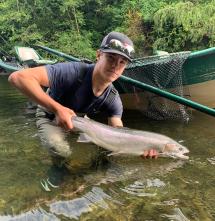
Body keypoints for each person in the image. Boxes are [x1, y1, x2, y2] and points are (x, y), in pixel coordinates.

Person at [9, 31, 157, 160]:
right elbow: (18, 77)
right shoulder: (73, 71)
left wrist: (141, 147)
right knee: (61, 151)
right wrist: (58, 109)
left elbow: (118, 133)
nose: (115, 66)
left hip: (80, 119)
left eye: (122, 62)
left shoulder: (113, 98)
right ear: (99, 55)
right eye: (111, 58)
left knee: (104, 150)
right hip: (50, 115)